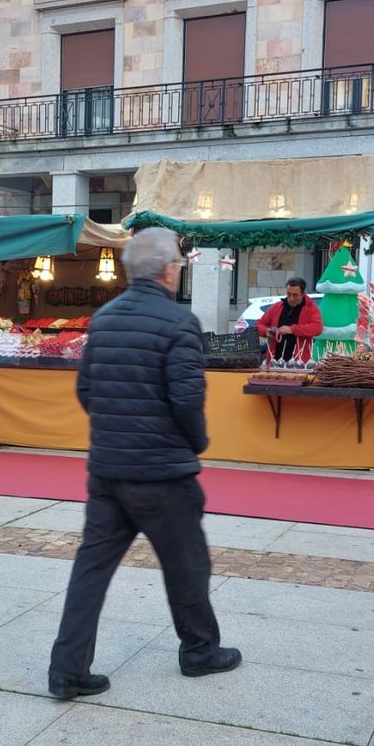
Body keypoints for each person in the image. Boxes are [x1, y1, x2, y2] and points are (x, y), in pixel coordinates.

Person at [47, 227, 240, 699]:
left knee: (90, 571)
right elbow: (187, 398)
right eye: (178, 262)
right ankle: (198, 651)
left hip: (109, 471)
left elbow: (86, 391)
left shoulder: (105, 319)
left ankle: (67, 670)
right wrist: (195, 443)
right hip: (163, 473)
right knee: (187, 564)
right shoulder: (178, 323)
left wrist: (117, 430)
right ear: (169, 271)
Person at [255, 277, 322, 362]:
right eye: (289, 294)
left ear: (303, 294)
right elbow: (259, 324)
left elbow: (318, 328)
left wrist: (292, 329)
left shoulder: (311, 308)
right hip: (274, 361)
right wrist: (267, 331)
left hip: (299, 362)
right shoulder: (277, 307)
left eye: (295, 295)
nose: (291, 298)